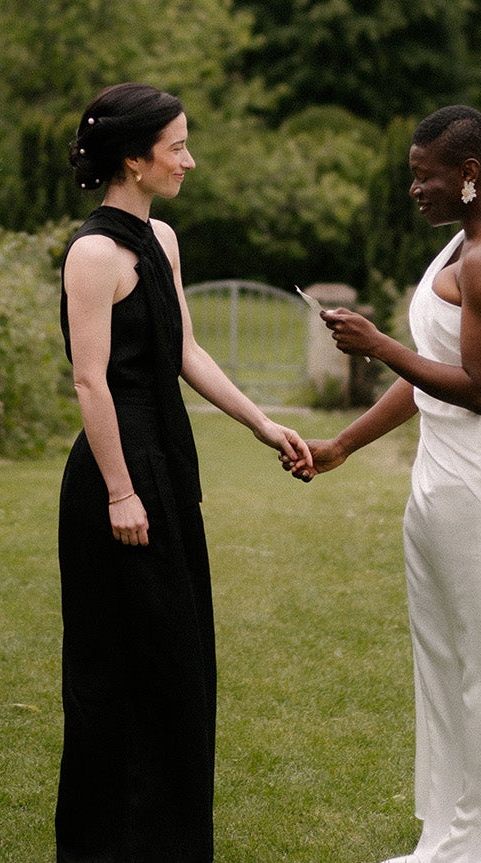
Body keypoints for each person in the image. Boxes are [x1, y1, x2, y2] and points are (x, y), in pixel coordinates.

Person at [291, 104, 481, 863]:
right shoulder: (463, 241)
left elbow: (476, 386)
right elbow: (431, 375)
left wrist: (376, 344)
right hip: (443, 482)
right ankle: (458, 826)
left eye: (425, 175)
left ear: (468, 174)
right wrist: (343, 443)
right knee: (449, 661)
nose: (413, 189)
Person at [56, 82, 311, 863]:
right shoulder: (92, 253)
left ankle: (168, 843)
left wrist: (264, 423)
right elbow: (89, 380)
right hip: (117, 476)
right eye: (177, 147)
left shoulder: (161, 241)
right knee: (113, 669)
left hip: (169, 463)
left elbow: (187, 352)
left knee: (177, 664)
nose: (189, 161)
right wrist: (120, 490)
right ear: (133, 158)